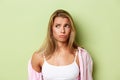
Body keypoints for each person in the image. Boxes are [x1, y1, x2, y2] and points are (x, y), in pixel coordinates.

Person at [28, 9, 93, 80]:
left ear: (71, 29)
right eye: (58, 26)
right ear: (51, 29)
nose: (62, 31)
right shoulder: (38, 57)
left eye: (66, 26)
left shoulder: (82, 56)